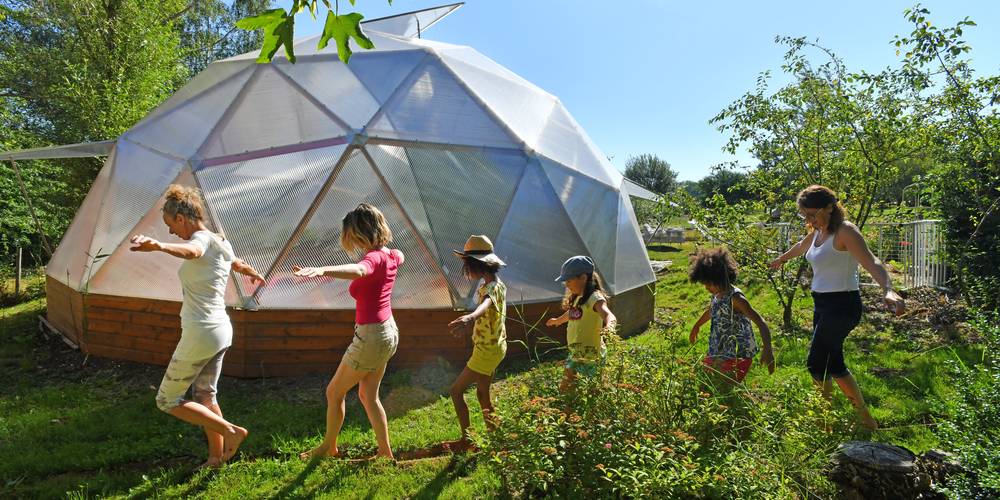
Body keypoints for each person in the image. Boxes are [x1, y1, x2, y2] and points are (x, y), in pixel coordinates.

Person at [129, 184, 264, 469]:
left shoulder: (201, 239)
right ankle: (215, 458)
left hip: (201, 332)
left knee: (166, 400)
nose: (170, 232)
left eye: (170, 225)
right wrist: (251, 271)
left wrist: (159, 246)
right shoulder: (220, 241)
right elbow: (234, 262)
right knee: (204, 395)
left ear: (181, 217)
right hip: (220, 330)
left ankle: (231, 431)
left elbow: (192, 252)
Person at [769, 185, 905, 430]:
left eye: (812, 214)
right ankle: (866, 420)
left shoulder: (845, 231)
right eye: (805, 215)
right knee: (834, 364)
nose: (809, 220)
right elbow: (801, 247)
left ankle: (824, 423)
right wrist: (781, 258)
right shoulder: (818, 231)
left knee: (816, 363)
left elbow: (871, 260)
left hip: (843, 306)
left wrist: (888, 288)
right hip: (822, 305)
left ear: (830, 207)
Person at [294, 203, 403, 460]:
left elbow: (360, 270)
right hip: (388, 332)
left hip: (372, 336)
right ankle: (385, 453)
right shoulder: (392, 255)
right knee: (368, 395)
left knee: (334, 392)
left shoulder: (373, 258)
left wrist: (324, 269)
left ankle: (328, 449)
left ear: (359, 233)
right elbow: (399, 256)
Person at [445, 235, 507, 451]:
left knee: (456, 391)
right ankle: (496, 437)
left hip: (486, 351)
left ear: (476, 264)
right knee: (482, 394)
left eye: (466, 265)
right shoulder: (497, 285)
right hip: (495, 346)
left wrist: (470, 317)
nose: (465, 270)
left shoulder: (490, 289)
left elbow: (487, 305)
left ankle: (466, 440)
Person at [688, 247, 775, 384]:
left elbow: (760, 322)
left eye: (708, 284)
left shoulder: (736, 298)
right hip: (719, 349)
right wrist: (696, 326)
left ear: (719, 278)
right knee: (707, 382)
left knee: (723, 387)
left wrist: (768, 350)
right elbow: (711, 311)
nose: (706, 288)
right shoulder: (717, 295)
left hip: (736, 354)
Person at [546, 256, 616, 393]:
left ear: (583, 277)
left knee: (593, 390)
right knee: (566, 388)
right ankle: (567, 412)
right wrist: (558, 320)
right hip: (576, 353)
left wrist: (609, 328)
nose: (566, 284)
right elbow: (573, 313)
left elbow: (609, 315)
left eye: (569, 280)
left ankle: (595, 409)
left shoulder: (594, 298)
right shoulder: (577, 297)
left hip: (591, 355)